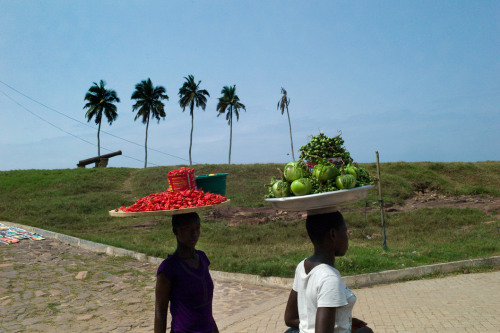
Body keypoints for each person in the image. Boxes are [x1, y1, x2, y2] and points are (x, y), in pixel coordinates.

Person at [284, 211, 373, 333]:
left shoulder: (302, 266)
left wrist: (346, 321)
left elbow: (290, 318)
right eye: (345, 231)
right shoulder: (329, 278)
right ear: (333, 234)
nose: (347, 237)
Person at [154, 212, 219, 333]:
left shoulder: (202, 258)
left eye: (197, 228)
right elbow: (160, 312)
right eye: (188, 229)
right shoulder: (169, 268)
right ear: (175, 231)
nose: (194, 234)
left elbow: (205, 308)